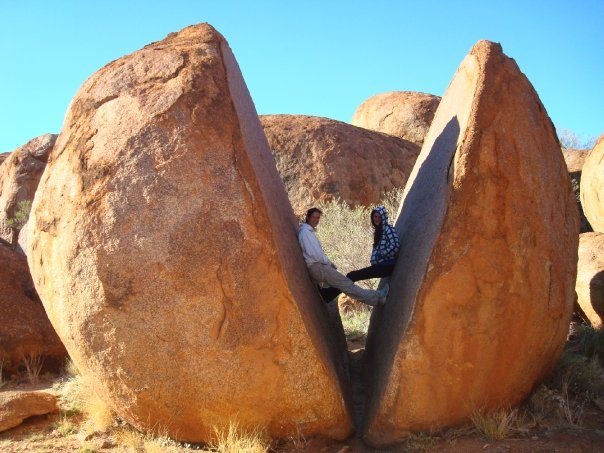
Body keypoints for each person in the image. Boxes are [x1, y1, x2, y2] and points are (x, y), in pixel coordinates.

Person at [297, 207, 389, 307]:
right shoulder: (305, 233)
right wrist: (329, 263)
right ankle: (378, 297)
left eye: (318, 218)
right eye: (314, 217)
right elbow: (315, 254)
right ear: (308, 217)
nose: (316, 220)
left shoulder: (308, 232)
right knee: (346, 284)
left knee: (344, 285)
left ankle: (327, 295)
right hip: (319, 267)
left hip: (319, 268)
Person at [319, 205, 400, 303]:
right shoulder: (379, 231)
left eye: (379, 217)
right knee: (352, 275)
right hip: (381, 266)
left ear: (384, 217)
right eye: (375, 216)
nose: (377, 219)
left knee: (353, 275)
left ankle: (328, 294)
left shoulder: (388, 229)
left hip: (386, 265)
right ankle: (329, 294)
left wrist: (382, 254)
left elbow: (395, 245)